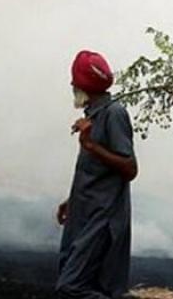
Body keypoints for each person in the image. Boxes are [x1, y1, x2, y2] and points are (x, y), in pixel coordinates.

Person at [55, 49, 138, 299]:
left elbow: (130, 168)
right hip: (85, 213)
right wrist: (73, 200)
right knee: (89, 282)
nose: (72, 85)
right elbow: (98, 173)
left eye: (75, 81)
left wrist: (91, 146)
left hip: (102, 218)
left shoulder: (114, 114)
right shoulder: (93, 116)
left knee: (71, 287)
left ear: (84, 84)